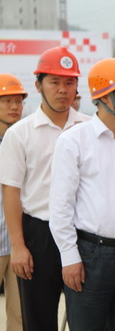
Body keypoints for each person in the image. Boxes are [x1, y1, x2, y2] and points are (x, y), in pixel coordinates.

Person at [49, 58, 115, 331]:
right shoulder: (73, 141)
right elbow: (60, 207)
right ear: (104, 97)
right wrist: (70, 257)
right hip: (91, 256)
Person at [0, 47, 87, 331]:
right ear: (38, 85)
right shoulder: (19, 134)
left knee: (87, 318)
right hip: (38, 235)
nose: (63, 90)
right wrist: (18, 246)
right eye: (54, 82)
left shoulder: (88, 129)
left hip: (83, 235)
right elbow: (11, 192)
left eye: (69, 82)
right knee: (38, 319)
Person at [0, 73, 26, 330]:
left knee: (20, 315)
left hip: (19, 243)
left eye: (18, 101)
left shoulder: (24, 140)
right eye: (7, 101)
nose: (14, 107)